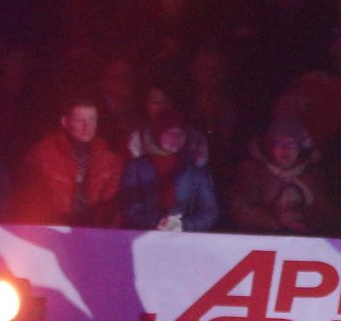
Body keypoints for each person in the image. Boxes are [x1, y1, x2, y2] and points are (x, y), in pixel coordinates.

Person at [18, 96, 123, 225]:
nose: (87, 126)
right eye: (79, 120)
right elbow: (32, 201)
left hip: (95, 231)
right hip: (52, 228)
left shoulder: (109, 160)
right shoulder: (43, 155)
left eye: (92, 120)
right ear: (65, 122)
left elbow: (110, 205)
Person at [118, 110, 218, 231]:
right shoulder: (136, 167)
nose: (175, 139)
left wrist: (183, 225)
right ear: (158, 134)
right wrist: (158, 221)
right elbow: (129, 205)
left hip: (185, 240)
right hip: (145, 237)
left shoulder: (195, 170)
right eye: (169, 133)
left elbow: (208, 211)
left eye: (180, 134)